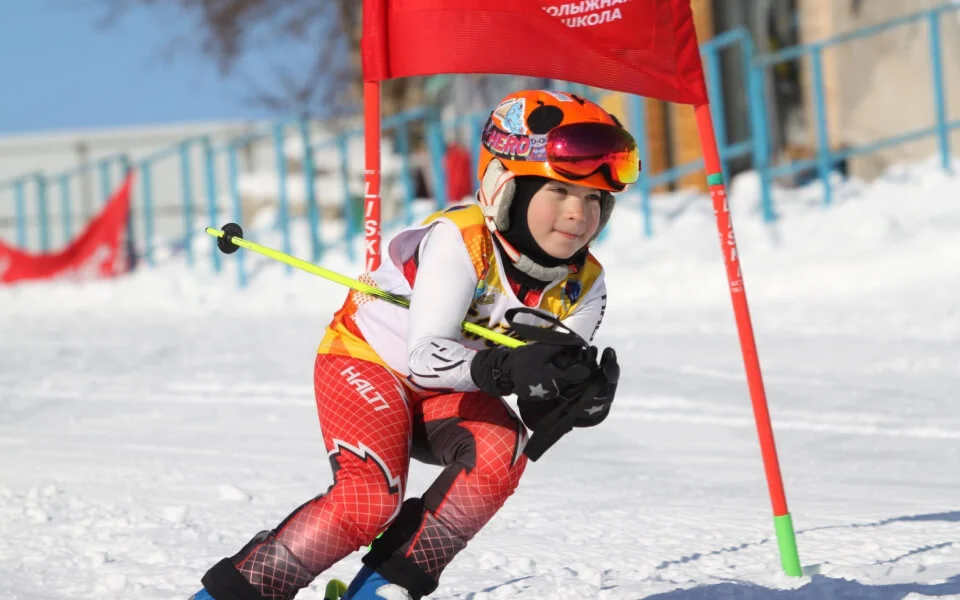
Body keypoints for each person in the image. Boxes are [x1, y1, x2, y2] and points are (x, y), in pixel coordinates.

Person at [189, 88, 640, 600]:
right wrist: (508, 369)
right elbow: (425, 358)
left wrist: (576, 399)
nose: (579, 214)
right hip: (370, 361)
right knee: (368, 500)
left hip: (447, 390)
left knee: (503, 450)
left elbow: (537, 404)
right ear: (505, 187)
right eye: (559, 191)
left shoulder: (585, 287)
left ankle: (382, 589)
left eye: (594, 199)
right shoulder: (461, 240)